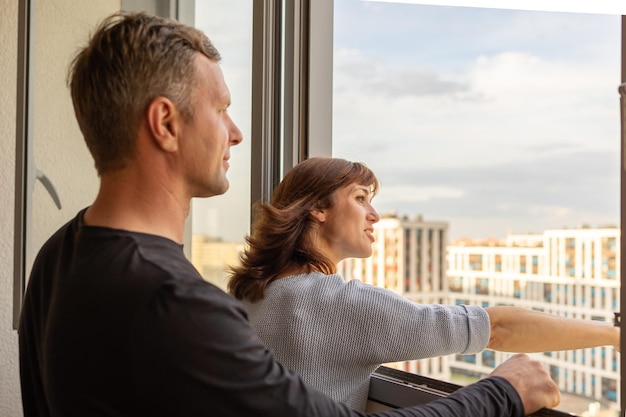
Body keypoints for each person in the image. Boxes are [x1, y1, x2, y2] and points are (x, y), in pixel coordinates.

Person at [17, 11, 559, 417]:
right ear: (165, 123)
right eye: (222, 108)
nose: (236, 132)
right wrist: (503, 392)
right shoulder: (174, 307)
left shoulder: (59, 255)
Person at [228, 156, 618, 412]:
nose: (374, 214)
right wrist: (612, 335)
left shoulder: (249, 294)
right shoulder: (337, 303)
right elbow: (497, 326)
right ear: (318, 208)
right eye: (361, 198)